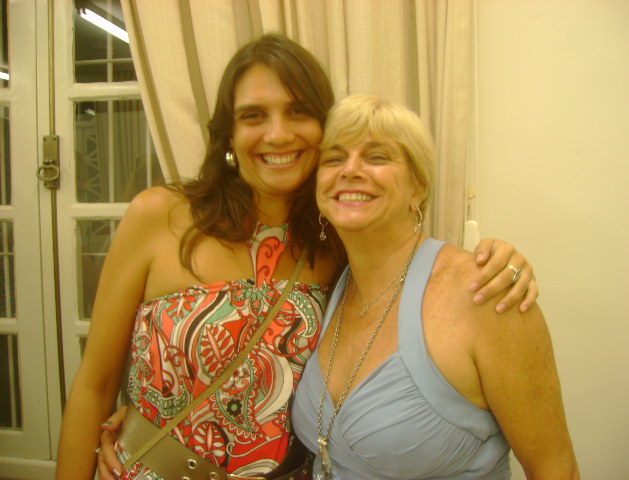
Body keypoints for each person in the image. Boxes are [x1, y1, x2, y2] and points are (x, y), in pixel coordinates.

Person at [57, 34, 537, 480]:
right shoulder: (160, 216)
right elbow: (94, 386)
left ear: (323, 129)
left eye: (298, 111)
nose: (278, 134)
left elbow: (418, 281)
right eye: (253, 116)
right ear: (228, 135)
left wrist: (504, 262)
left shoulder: (340, 246)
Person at [291, 94, 579, 480]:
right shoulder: (325, 285)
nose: (351, 169)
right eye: (333, 158)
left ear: (418, 187)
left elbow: (556, 469)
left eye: (377, 156)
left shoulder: (486, 291)